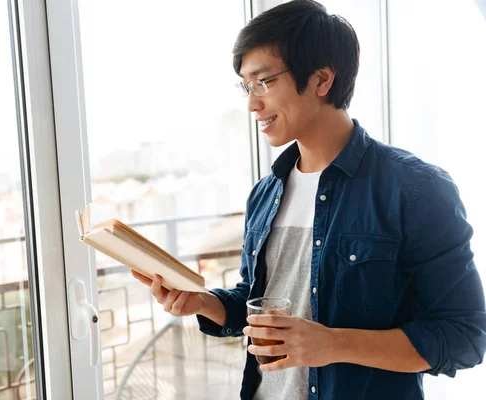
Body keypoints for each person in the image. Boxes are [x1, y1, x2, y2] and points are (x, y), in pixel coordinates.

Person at [131, 0, 486, 398]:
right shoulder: (266, 193)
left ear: (321, 80)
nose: (251, 103)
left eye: (263, 82)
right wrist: (205, 303)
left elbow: (464, 337)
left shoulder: (416, 190)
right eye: (246, 86)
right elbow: (256, 301)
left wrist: (332, 343)